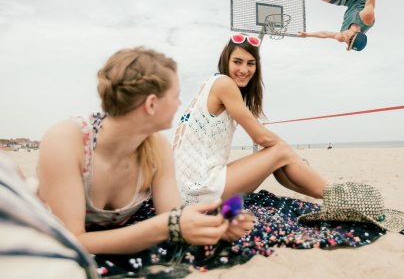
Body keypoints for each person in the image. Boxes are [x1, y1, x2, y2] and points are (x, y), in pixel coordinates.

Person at [37, 47, 254, 273]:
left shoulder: (157, 147)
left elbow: (173, 216)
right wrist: (168, 226)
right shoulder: (67, 140)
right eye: (176, 96)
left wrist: (214, 227)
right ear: (151, 104)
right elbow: (71, 241)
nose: (180, 104)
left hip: (124, 235)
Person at [173, 34, 329, 205]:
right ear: (226, 60)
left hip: (183, 188)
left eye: (250, 63)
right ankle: (340, 196)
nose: (244, 70)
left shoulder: (211, 83)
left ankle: (331, 197)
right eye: (237, 62)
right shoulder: (224, 83)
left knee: (280, 158)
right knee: (281, 150)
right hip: (198, 191)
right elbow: (261, 137)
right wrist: (294, 155)